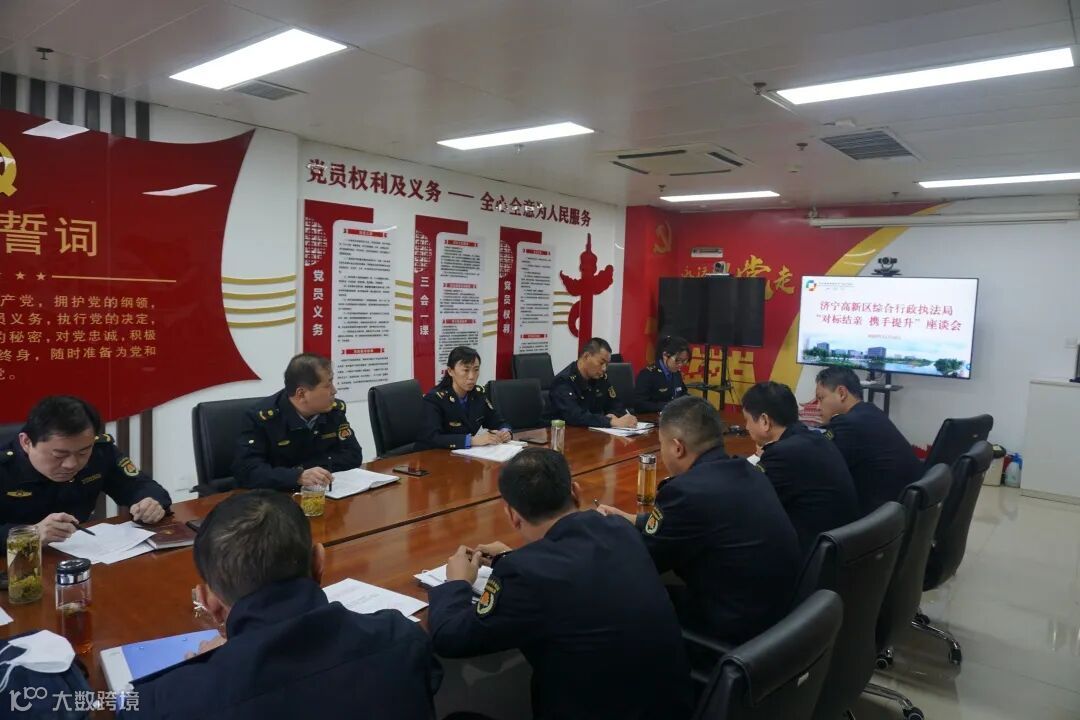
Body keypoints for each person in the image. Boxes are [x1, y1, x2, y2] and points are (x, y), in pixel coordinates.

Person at [124, 490, 441, 720]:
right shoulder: (401, 637)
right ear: (319, 562)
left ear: (210, 602)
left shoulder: (170, 702)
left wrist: (207, 668)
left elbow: (117, 706)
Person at [427, 448, 692, 720]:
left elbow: (451, 638)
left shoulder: (523, 574)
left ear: (512, 515)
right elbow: (570, 568)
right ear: (575, 492)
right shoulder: (620, 529)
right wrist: (509, 557)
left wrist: (456, 583)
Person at [598, 396, 800, 644]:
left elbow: (644, 560)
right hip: (779, 623)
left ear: (677, 447)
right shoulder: (747, 471)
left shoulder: (687, 492)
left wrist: (603, 532)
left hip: (734, 631)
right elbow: (690, 523)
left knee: (615, 596)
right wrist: (632, 519)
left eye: (661, 445)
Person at [0, 396, 171, 544]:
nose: (71, 464)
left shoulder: (100, 451)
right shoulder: (5, 465)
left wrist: (150, 503)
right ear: (26, 442)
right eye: (59, 455)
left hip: (82, 550)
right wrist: (30, 534)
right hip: (16, 561)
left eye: (82, 452)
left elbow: (140, 485)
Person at [742, 381, 860, 557]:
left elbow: (748, 501)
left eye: (747, 420)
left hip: (814, 556)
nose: (746, 427)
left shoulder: (782, 454)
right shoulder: (815, 439)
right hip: (842, 548)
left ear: (765, 421)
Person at [233, 353, 363, 491]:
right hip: (275, 496)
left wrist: (309, 472)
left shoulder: (333, 411)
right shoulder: (262, 418)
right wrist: (297, 476)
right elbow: (247, 472)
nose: (334, 390)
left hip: (321, 492)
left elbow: (353, 456)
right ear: (301, 394)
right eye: (327, 385)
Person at [815, 366, 923, 516]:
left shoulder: (848, 424)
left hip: (880, 517)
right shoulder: (871, 411)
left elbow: (822, 469)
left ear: (841, 393)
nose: (817, 407)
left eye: (821, 398)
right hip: (902, 511)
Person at [418, 346, 512, 450]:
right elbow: (431, 438)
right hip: (433, 456)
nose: (471, 376)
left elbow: (498, 421)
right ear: (450, 371)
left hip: (464, 455)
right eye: (466, 370)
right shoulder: (435, 399)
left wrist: (505, 432)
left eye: (476, 370)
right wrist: (471, 440)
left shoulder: (478, 395)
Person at [549, 338, 637, 428]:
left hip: (595, 432)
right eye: (601, 363)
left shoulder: (601, 378)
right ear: (586, 356)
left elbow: (616, 405)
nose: (604, 368)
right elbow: (575, 416)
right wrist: (609, 421)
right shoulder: (563, 381)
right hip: (567, 433)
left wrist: (613, 414)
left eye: (607, 364)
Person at [633, 335, 690, 413]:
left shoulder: (676, 373)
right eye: (677, 360)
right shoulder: (648, 374)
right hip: (652, 416)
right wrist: (667, 406)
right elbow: (639, 404)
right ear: (665, 355)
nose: (680, 365)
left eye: (684, 361)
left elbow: (683, 394)